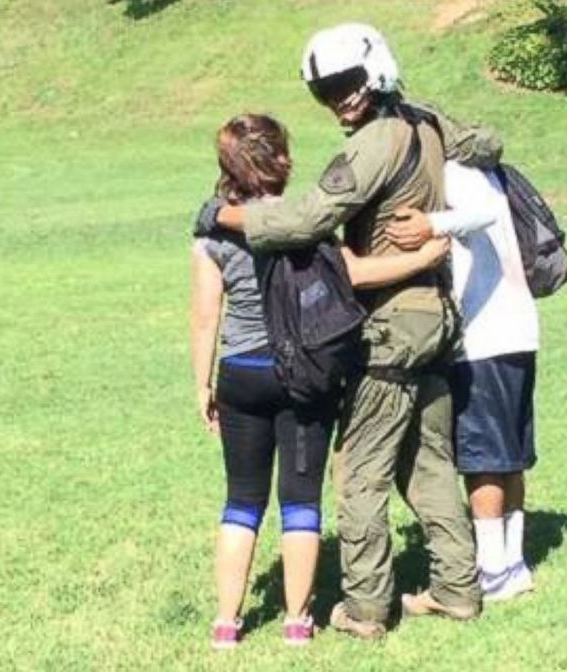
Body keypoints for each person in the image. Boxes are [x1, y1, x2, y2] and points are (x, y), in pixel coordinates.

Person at [194, 24, 504, 638]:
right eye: (324, 90)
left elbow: (309, 219)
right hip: (437, 320)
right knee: (428, 463)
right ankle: (457, 589)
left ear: (375, 72)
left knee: (360, 472)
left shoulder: (374, 143)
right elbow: (490, 143)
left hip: (388, 326)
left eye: (345, 83)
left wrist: (224, 214)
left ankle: (364, 610)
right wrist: (444, 220)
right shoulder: (427, 121)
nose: (338, 99)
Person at [191, 113, 454, 650]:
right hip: (303, 374)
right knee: (300, 500)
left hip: (240, 373)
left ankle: (226, 623)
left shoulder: (213, 227)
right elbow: (353, 274)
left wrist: (203, 384)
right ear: (280, 161)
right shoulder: (302, 219)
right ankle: (296, 621)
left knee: (241, 501)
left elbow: (204, 313)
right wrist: (424, 257)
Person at [387, 160, 541, 601]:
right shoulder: (482, 168)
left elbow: (487, 211)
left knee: (484, 457)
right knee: (508, 455)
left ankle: (492, 570)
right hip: (516, 329)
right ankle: (512, 564)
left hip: (484, 337)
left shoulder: (452, 172)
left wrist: (430, 224)